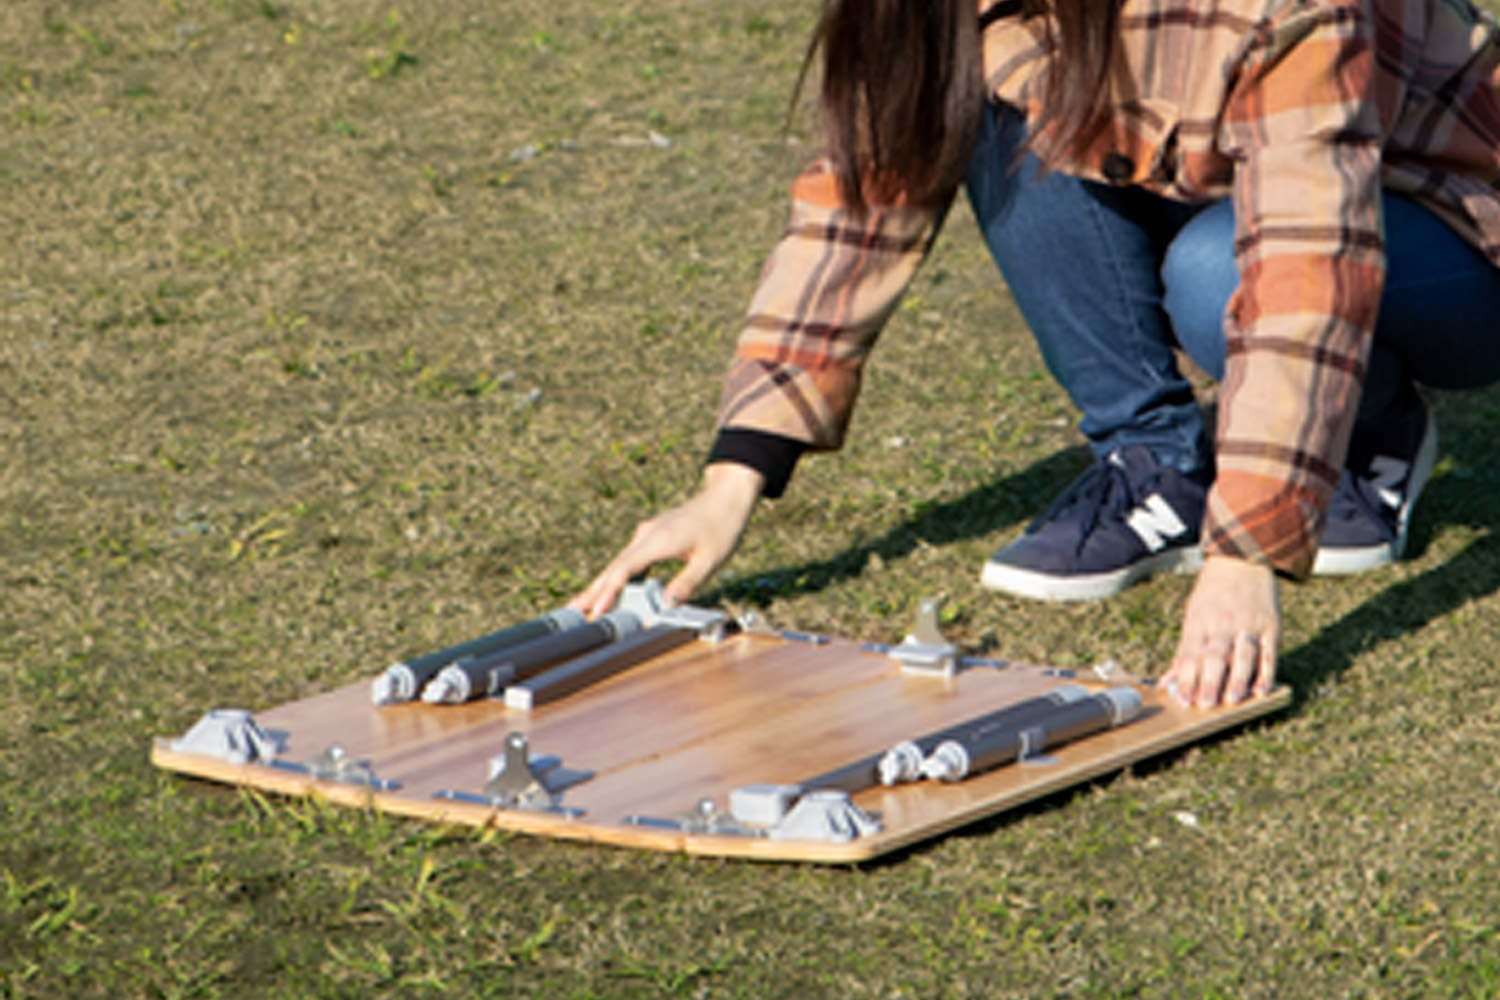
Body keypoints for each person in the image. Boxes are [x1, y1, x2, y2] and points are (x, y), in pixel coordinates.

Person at [572, 0, 1500, 708]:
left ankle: (1371, 434)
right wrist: (733, 478)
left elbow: (1310, 254)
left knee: (1216, 271)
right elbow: (857, 207)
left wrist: (1247, 554)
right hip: (1233, 195)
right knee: (972, 93)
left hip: (1452, 233)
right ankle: (1154, 467)